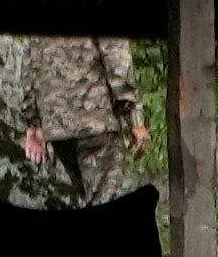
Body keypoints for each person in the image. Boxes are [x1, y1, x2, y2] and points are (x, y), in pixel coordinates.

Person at [20, 36, 150, 206]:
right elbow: (117, 60)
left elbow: (29, 67)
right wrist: (135, 118)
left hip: (57, 130)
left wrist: (33, 125)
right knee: (105, 198)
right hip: (97, 122)